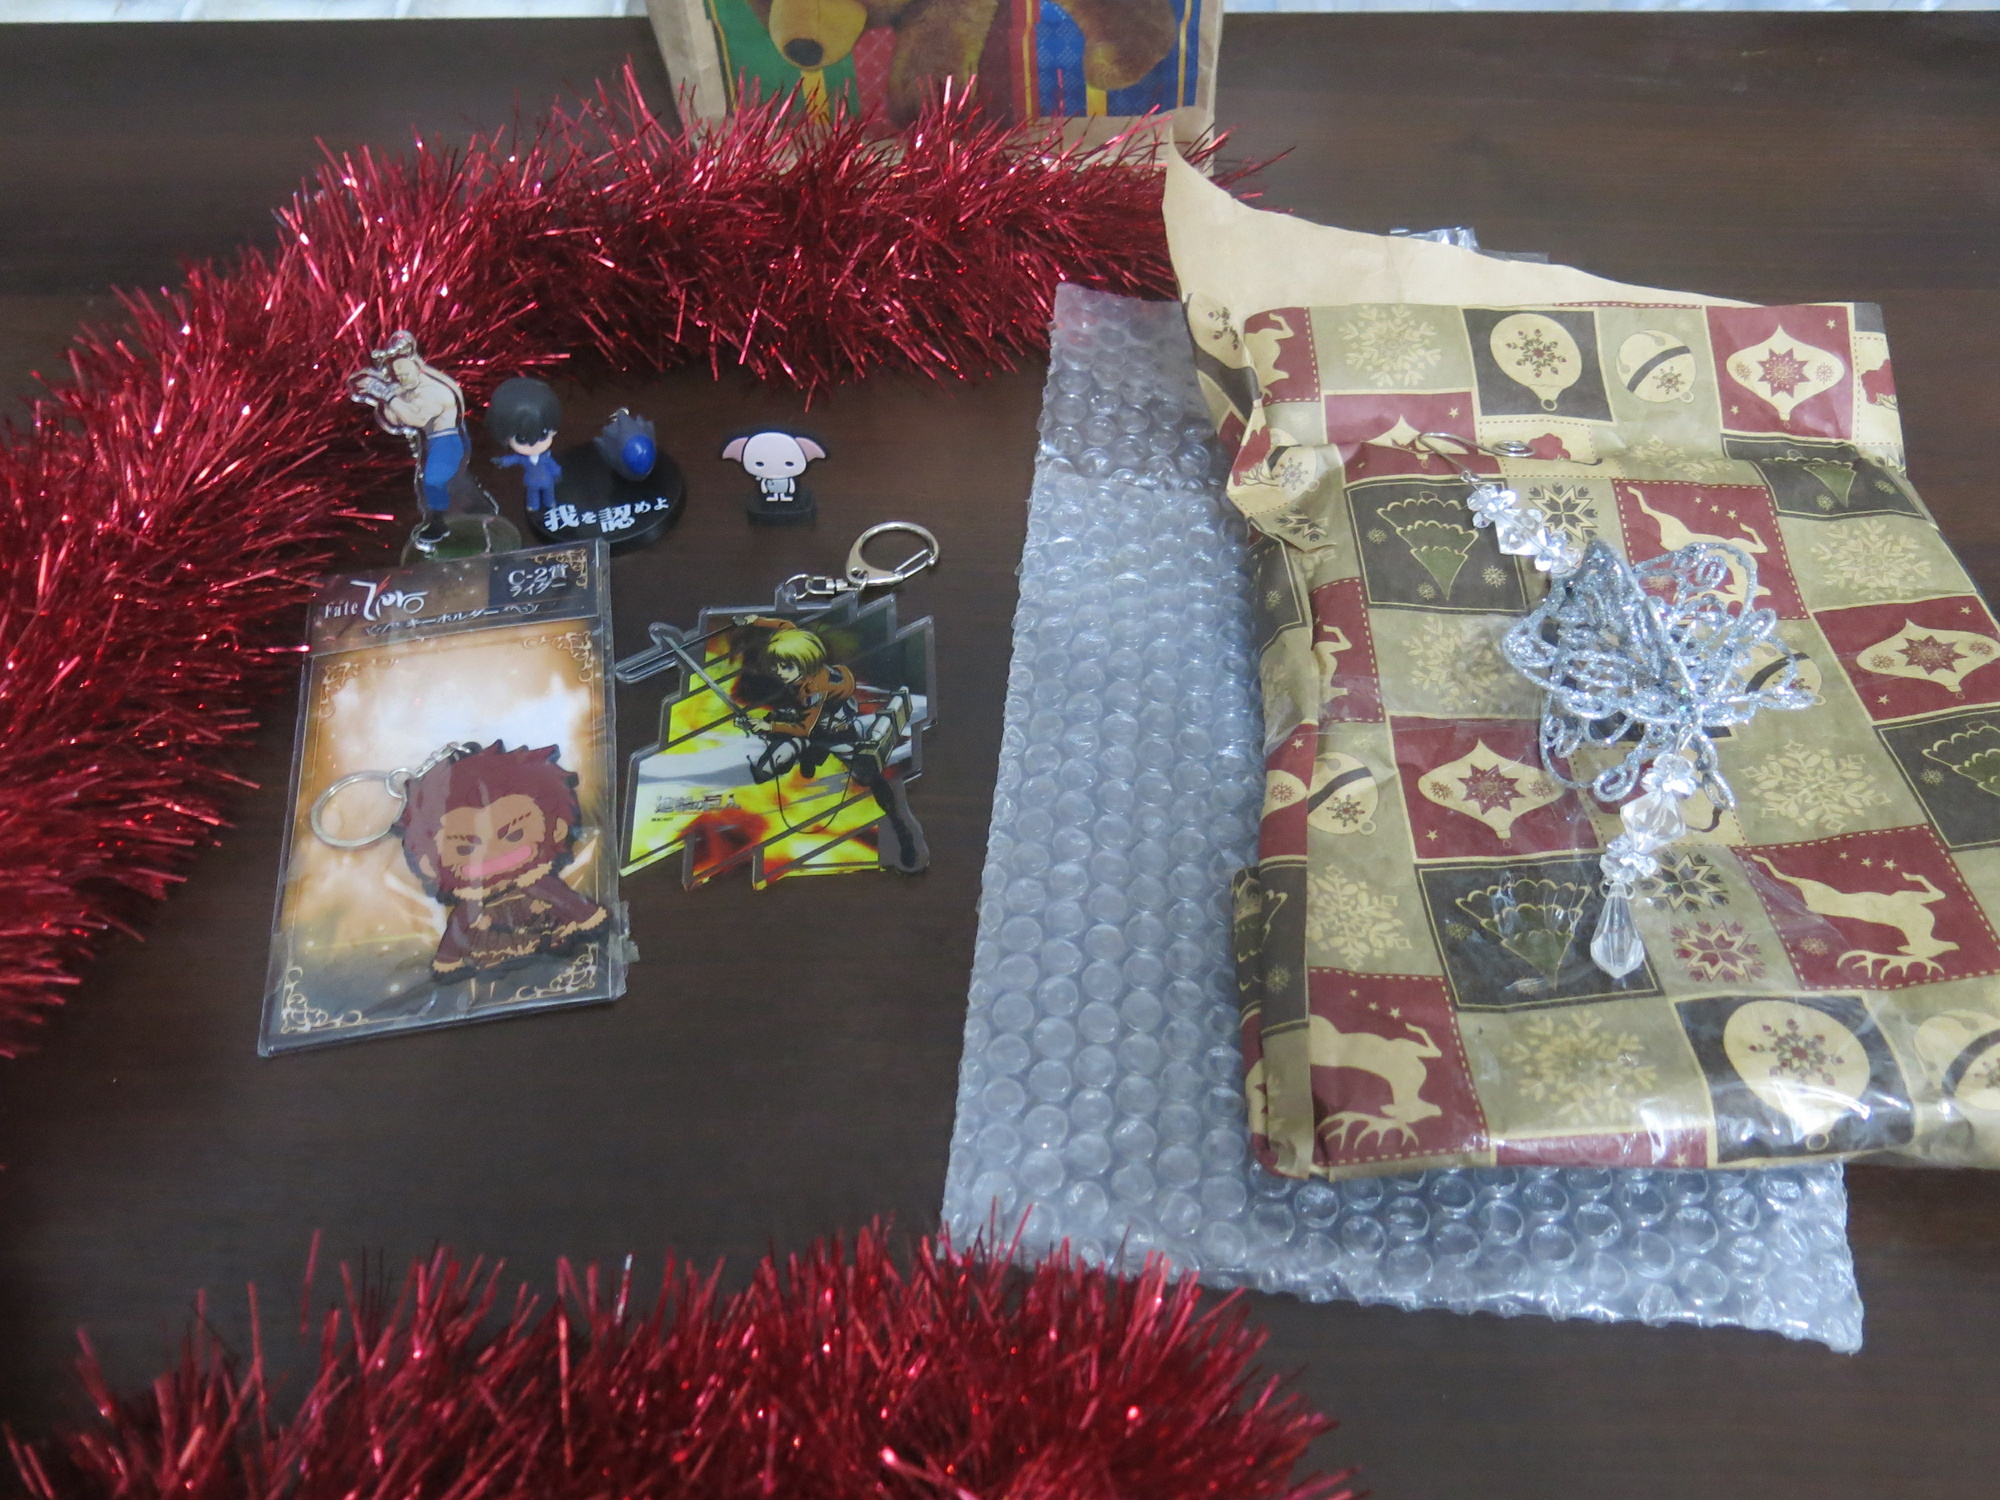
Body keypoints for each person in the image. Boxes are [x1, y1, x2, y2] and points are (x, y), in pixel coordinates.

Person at [733, 616, 928, 873]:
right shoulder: (800, 648)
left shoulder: (814, 691)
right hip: (813, 729)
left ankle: (901, 830)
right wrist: (754, 620)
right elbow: (785, 627)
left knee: (869, 775)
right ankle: (808, 761)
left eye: (785, 667)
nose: (779, 672)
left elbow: (804, 728)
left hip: (837, 734)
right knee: (764, 770)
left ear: (804, 660)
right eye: (777, 666)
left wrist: (768, 727)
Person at [347, 332, 472, 546]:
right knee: (432, 482)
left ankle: (442, 522)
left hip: (447, 441)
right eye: (399, 375)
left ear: (417, 365)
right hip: (432, 442)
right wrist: (385, 395)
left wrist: (387, 394)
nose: (403, 379)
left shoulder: (433, 390)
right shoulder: (409, 389)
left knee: (434, 480)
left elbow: (416, 419)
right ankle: (458, 513)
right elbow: (395, 419)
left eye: (406, 373)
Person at [486, 377, 565, 514]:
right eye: (521, 439)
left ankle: (550, 503)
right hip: (531, 481)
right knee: (532, 495)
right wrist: (502, 462)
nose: (534, 445)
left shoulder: (546, 456)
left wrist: (557, 473)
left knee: (549, 493)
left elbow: (552, 465)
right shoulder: (523, 458)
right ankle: (533, 506)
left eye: (543, 435)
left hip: (547, 480)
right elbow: (512, 460)